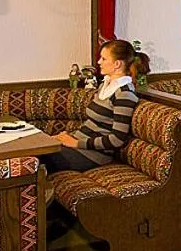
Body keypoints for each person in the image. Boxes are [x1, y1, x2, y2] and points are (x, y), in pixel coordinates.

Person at [41, 40, 148, 174]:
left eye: (103, 58)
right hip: (78, 143)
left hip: (93, 155)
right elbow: (91, 125)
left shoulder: (124, 94)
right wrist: (67, 136)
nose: (99, 62)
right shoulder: (105, 85)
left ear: (117, 64)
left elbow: (116, 140)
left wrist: (75, 143)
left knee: (35, 159)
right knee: (36, 147)